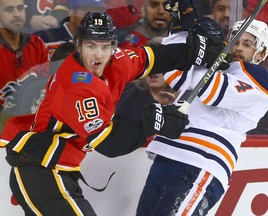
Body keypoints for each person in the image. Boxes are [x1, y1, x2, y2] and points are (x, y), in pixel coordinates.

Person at [0, 11, 229, 215]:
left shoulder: (116, 60)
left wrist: (190, 53)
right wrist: (155, 124)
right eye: (91, 46)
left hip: (58, 171)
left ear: (113, 46)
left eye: (104, 46)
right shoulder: (75, 87)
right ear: (78, 45)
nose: (98, 55)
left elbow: (150, 57)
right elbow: (109, 143)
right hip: (39, 172)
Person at [135, 0, 268, 215]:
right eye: (236, 40)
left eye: (248, 44)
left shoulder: (260, 80)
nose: (238, 47)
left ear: (261, 54)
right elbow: (174, 74)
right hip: (167, 154)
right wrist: (181, 30)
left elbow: (210, 89)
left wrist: (199, 55)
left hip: (200, 162)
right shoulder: (217, 67)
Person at [0, 0, 49, 132]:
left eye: (20, 8)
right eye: (9, 10)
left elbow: (48, 87)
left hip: (34, 123)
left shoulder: (37, 44)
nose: (17, 14)